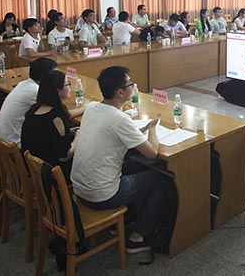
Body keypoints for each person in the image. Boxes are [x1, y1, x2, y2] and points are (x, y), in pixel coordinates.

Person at [71, 66, 174, 253]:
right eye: (130, 84)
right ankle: (138, 236)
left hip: (80, 189)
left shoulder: (92, 107)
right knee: (161, 179)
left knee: (135, 164)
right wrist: (152, 128)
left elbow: (114, 131)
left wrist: (138, 131)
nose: (133, 87)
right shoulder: (119, 119)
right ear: (120, 92)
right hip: (103, 195)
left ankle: (124, 219)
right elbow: (151, 152)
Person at [21, 70, 81, 180]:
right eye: (67, 84)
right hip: (54, 174)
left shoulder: (34, 109)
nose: (70, 87)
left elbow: (47, 134)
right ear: (58, 91)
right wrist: (78, 137)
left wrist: (69, 131)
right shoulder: (56, 118)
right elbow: (65, 156)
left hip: (35, 168)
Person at [0, 58, 58, 147]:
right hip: (15, 144)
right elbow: (60, 112)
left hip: (3, 141)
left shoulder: (23, 84)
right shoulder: (35, 91)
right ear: (45, 77)